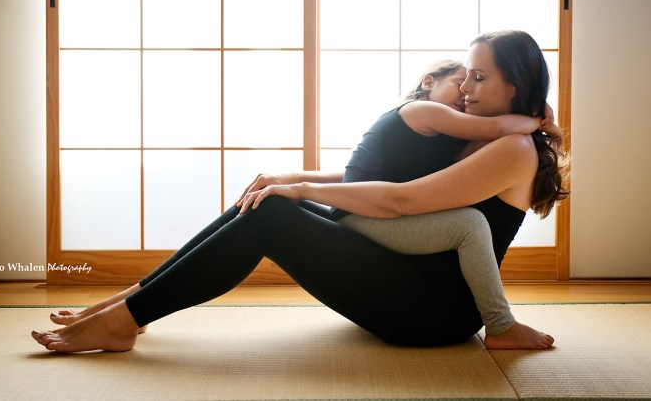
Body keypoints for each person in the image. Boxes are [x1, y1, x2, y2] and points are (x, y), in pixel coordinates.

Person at [32, 30, 569, 353]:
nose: (467, 89)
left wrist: (302, 189)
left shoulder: (512, 148)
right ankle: (130, 301)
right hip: (404, 276)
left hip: (434, 312)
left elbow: (401, 202)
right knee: (264, 200)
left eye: (479, 78)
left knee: (273, 215)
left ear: (515, 88)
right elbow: (388, 186)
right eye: (466, 77)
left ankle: (125, 321)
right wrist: (293, 180)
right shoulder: (486, 134)